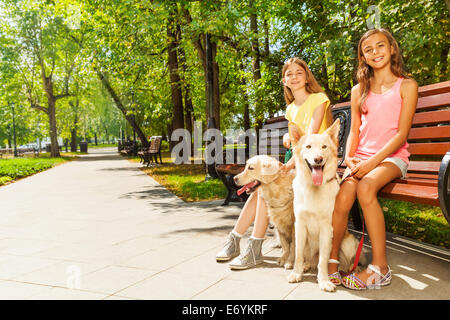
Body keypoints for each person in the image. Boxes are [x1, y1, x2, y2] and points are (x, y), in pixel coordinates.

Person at [216, 57, 333, 269]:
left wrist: (289, 160)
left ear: (307, 76)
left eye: (299, 72)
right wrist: (286, 139)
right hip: (297, 160)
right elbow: (294, 136)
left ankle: (253, 247)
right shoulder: (291, 109)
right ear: (284, 81)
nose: (294, 77)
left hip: (314, 162)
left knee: (264, 186)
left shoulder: (319, 99)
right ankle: (236, 239)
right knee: (262, 183)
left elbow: (310, 139)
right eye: (289, 74)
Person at [327, 28, 418, 290]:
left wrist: (371, 164)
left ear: (391, 49)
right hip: (362, 158)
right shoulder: (359, 90)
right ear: (363, 57)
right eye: (368, 49)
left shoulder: (407, 85)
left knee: (366, 187)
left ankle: (381, 267)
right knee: (343, 197)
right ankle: (333, 259)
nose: (375, 52)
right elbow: (354, 130)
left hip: (392, 157)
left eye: (380, 46)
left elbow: (401, 135)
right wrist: (350, 158)